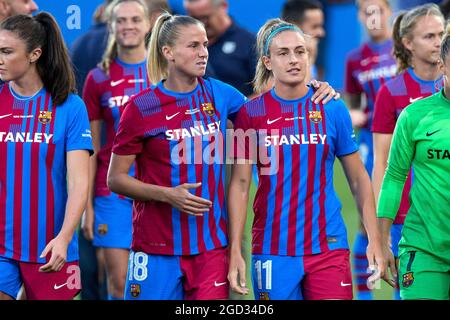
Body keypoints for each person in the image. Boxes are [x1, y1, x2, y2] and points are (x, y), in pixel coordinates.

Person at [107, 12, 337, 300]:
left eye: (204, 45)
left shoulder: (221, 95)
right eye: (193, 46)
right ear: (168, 52)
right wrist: (167, 194)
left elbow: (269, 109)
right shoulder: (140, 108)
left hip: (211, 251)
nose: (203, 53)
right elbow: (115, 179)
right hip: (155, 248)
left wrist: (313, 89)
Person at [227, 18, 389, 300]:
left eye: (300, 51)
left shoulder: (331, 106)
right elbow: (240, 184)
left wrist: (374, 239)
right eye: (283, 53)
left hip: (329, 245)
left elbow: (357, 178)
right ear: (267, 61)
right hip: (272, 248)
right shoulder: (250, 114)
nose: (293, 59)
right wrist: (235, 251)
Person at [0, 12, 93, 300]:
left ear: (34, 54)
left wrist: (64, 238)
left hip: (50, 246)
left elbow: (79, 182)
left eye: (6, 51)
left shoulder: (70, 107)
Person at [371, 3, 445, 294]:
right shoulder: (391, 93)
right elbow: (382, 165)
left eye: (441, 33)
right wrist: (380, 232)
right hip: (408, 221)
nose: (438, 42)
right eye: (429, 36)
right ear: (407, 43)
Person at [82, 0, 151, 300]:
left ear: (149, 24)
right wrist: (87, 207)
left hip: (158, 190)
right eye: (121, 20)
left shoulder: (166, 73)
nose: (128, 26)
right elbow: (90, 150)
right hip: (112, 193)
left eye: (135, 19)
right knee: (120, 282)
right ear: (110, 27)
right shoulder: (97, 78)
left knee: (152, 283)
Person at [344, 0, 397, 300]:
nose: (373, 16)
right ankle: (365, 295)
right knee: (370, 215)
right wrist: (356, 116)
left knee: (407, 216)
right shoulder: (355, 59)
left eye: (378, 9)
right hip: (372, 143)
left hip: (406, 142)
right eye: (367, 11)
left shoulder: (404, 48)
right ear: (360, 16)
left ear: (389, 11)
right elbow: (352, 105)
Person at [183, 0, 256, 97]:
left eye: (205, 18)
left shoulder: (250, 42)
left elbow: (267, 91)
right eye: (194, 19)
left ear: (223, 6)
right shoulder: (182, 45)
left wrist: (232, 110)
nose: (201, 24)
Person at [281, 0, 325, 80]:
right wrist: (309, 58)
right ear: (293, 28)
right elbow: (299, 92)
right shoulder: (276, 61)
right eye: (315, 27)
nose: (321, 33)